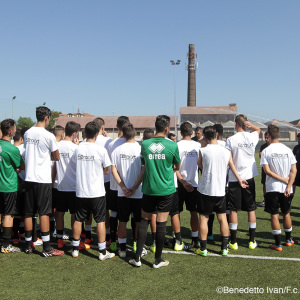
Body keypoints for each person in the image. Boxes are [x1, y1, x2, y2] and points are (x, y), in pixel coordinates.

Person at [129, 115, 181, 269]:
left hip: (149, 189)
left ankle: (137, 257)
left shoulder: (144, 144)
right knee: (161, 224)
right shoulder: (172, 145)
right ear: (167, 128)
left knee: (144, 222)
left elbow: (144, 166)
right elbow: (177, 166)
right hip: (166, 190)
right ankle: (157, 260)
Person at [195, 126, 248, 257]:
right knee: (223, 218)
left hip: (205, 190)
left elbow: (200, 164)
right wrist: (240, 178)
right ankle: (224, 248)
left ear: (205, 137)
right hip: (220, 190)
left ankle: (203, 248)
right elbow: (232, 165)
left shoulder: (203, 150)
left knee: (204, 218)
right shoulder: (225, 151)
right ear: (217, 135)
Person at [23, 106, 64, 257]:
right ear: (46, 117)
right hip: (43, 179)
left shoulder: (27, 133)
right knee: (44, 213)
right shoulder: (49, 136)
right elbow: (57, 156)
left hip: (29, 178)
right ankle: (46, 248)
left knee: (28, 213)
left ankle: (28, 245)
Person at [71, 121, 115, 260]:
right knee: (100, 220)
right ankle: (102, 252)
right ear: (97, 133)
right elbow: (107, 170)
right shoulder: (100, 150)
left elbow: (74, 165)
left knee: (79, 219)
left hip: (81, 191)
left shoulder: (77, 148)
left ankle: (75, 249)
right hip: (97, 191)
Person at [225, 114, 260, 251]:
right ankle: (252, 240)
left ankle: (233, 242)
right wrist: (250, 125)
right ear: (245, 124)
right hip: (249, 177)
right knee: (251, 208)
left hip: (235, 178)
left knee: (234, 209)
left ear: (235, 124)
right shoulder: (252, 136)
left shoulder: (231, 139)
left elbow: (230, 161)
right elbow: (258, 130)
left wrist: (238, 177)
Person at [111, 123, 145, 258]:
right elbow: (144, 169)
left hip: (122, 193)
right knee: (137, 221)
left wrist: (123, 187)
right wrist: (135, 187)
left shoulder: (117, 150)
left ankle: (123, 249)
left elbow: (113, 170)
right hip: (138, 192)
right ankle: (137, 246)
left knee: (122, 221)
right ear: (135, 134)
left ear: (123, 135)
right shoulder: (141, 149)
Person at [261, 125, 297, 251]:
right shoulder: (288, 150)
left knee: (274, 214)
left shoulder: (266, 150)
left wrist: (283, 180)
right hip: (286, 188)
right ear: (279, 135)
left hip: (272, 188)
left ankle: (278, 244)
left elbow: (267, 171)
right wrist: (289, 185)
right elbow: (294, 170)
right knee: (286, 213)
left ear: (268, 136)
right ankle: (288, 240)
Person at [53, 121, 80, 249]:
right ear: (74, 133)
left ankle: (59, 239)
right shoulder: (76, 148)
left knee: (60, 213)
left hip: (60, 186)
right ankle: (75, 243)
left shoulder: (57, 145)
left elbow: (54, 166)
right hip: (74, 187)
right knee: (75, 216)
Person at [0, 119, 24, 253]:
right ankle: (5, 245)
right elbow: (21, 166)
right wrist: (18, 169)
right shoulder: (12, 148)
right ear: (11, 131)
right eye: (14, 128)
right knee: (9, 215)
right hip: (8, 186)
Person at [176, 122, 201, 248]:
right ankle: (195, 240)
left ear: (180, 133)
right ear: (192, 132)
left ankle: (178, 239)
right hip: (194, 184)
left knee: (176, 213)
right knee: (194, 212)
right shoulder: (198, 146)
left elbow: (174, 168)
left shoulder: (177, 145)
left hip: (179, 183)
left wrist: (183, 182)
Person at [107, 116, 129, 251]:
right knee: (128, 215)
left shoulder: (111, 144)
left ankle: (113, 240)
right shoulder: (133, 144)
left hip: (114, 184)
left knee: (114, 213)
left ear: (117, 127)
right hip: (128, 185)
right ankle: (133, 241)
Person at [94, 118, 113, 244]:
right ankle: (108, 233)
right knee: (107, 208)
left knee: (93, 209)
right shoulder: (109, 141)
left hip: (93, 179)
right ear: (102, 127)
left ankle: (87, 233)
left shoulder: (86, 141)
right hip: (106, 179)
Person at [257, 133, 270, 207]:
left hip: (273, 169)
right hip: (265, 168)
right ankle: (265, 200)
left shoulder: (274, 146)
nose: (266, 139)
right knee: (264, 184)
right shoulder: (263, 146)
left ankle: (277, 200)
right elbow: (260, 155)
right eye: (265, 137)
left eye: (267, 137)